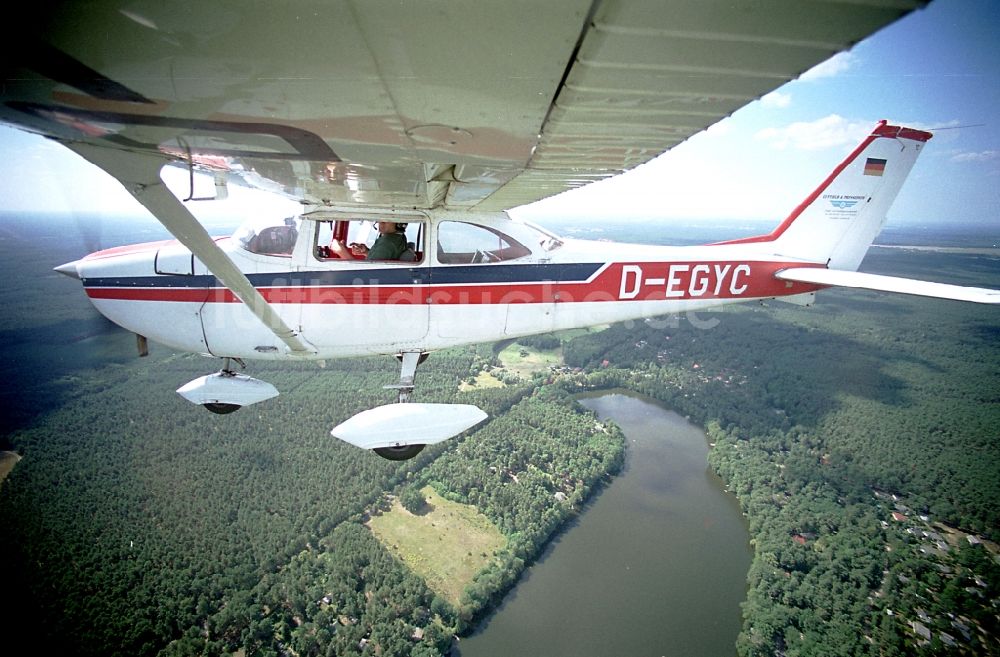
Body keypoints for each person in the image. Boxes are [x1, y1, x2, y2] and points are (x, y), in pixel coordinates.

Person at [330, 221, 408, 260]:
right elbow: (382, 260)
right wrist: (367, 252)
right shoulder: (398, 237)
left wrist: (340, 250)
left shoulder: (387, 243)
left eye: (386, 219)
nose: (380, 222)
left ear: (399, 224)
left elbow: (365, 273)